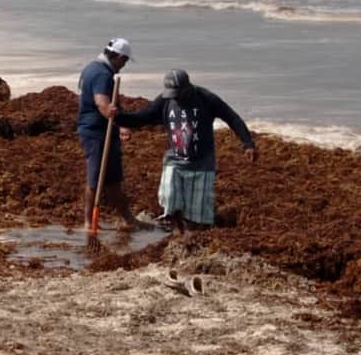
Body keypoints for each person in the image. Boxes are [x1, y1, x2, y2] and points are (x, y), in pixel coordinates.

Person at [116, 69, 258, 234]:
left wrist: (248, 143)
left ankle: (198, 233)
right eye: (172, 94)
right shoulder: (165, 100)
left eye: (178, 93)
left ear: (187, 87)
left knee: (197, 214)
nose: (175, 97)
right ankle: (178, 232)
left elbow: (232, 117)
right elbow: (141, 118)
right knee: (169, 200)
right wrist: (118, 116)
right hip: (174, 161)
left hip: (202, 162)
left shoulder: (205, 98)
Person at [77, 37, 147, 232]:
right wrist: (110, 114)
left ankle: (128, 219)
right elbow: (102, 103)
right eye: (124, 61)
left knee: (114, 179)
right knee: (96, 177)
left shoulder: (93, 68)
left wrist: (121, 124)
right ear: (117, 56)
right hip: (96, 132)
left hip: (105, 130)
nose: (124, 65)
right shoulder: (101, 73)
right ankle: (89, 222)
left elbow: (112, 102)